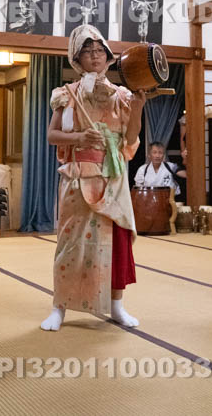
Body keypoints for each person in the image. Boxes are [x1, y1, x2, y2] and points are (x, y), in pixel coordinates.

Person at [40, 25, 146, 331]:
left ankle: (117, 306)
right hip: (77, 177)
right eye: (87, 50)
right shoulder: (66, 94)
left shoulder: (121, 95)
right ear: (77, 58)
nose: (95, 56)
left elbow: (130, 137)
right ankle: (59, 308)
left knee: (117, 244)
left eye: (99, 50)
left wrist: (138, 107)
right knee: (70, 244)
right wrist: (77, 137)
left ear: (109, 56)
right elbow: (51, 135)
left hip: (112, 178)